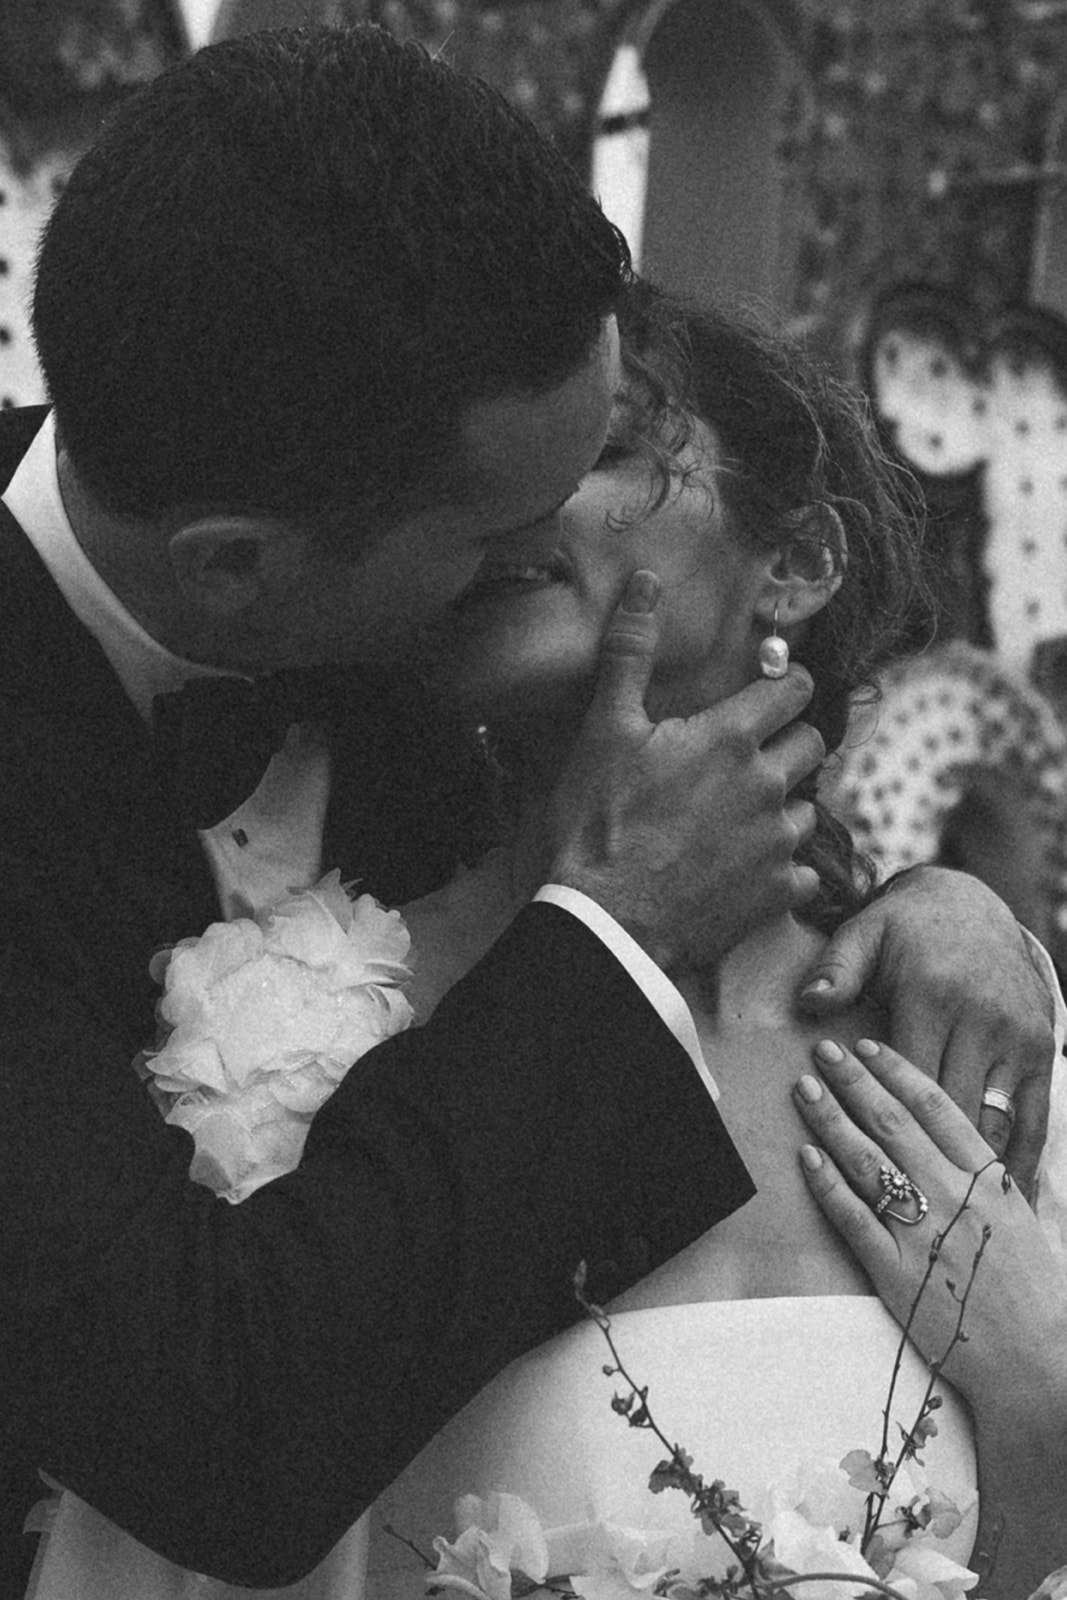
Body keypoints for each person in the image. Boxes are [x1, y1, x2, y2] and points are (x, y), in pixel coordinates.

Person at [0, 24, 1057, 1596]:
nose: (545, 532)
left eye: (614, 448)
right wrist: (618, 933)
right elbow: (205, 1419)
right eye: (499, 527)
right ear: (240, 566)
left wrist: (956, 917)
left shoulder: (440, 667)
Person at [348, 287, 1064, 1600]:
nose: (517, 501)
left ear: (794, 563)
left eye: (605, 450)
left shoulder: (992, 1058)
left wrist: (1046, 1412)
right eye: (480, 465)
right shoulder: (317, 1025)